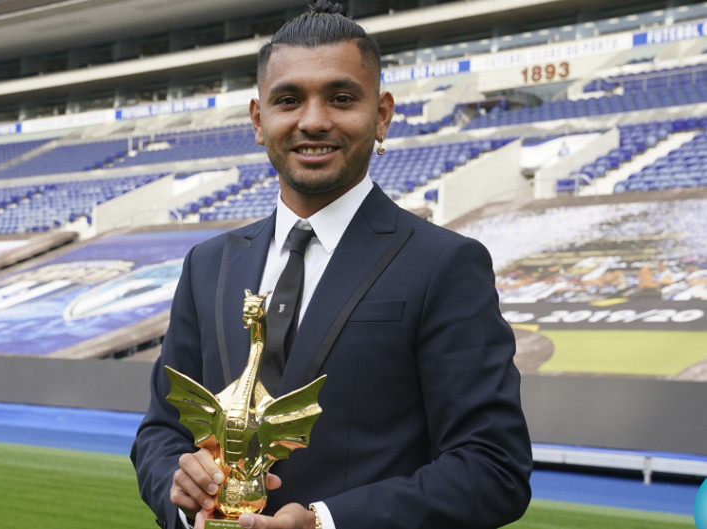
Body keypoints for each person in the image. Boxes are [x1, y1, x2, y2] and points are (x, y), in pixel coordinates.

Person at [130, 2, 533, 528]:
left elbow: (493, 468)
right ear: (259, 120)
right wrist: (181, 494)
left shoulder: (446, 265)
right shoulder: (208, 265)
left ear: (382, 114)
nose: (313, 120)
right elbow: (161, 432)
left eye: (341, 98)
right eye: (289, 100)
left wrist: (324, 522)